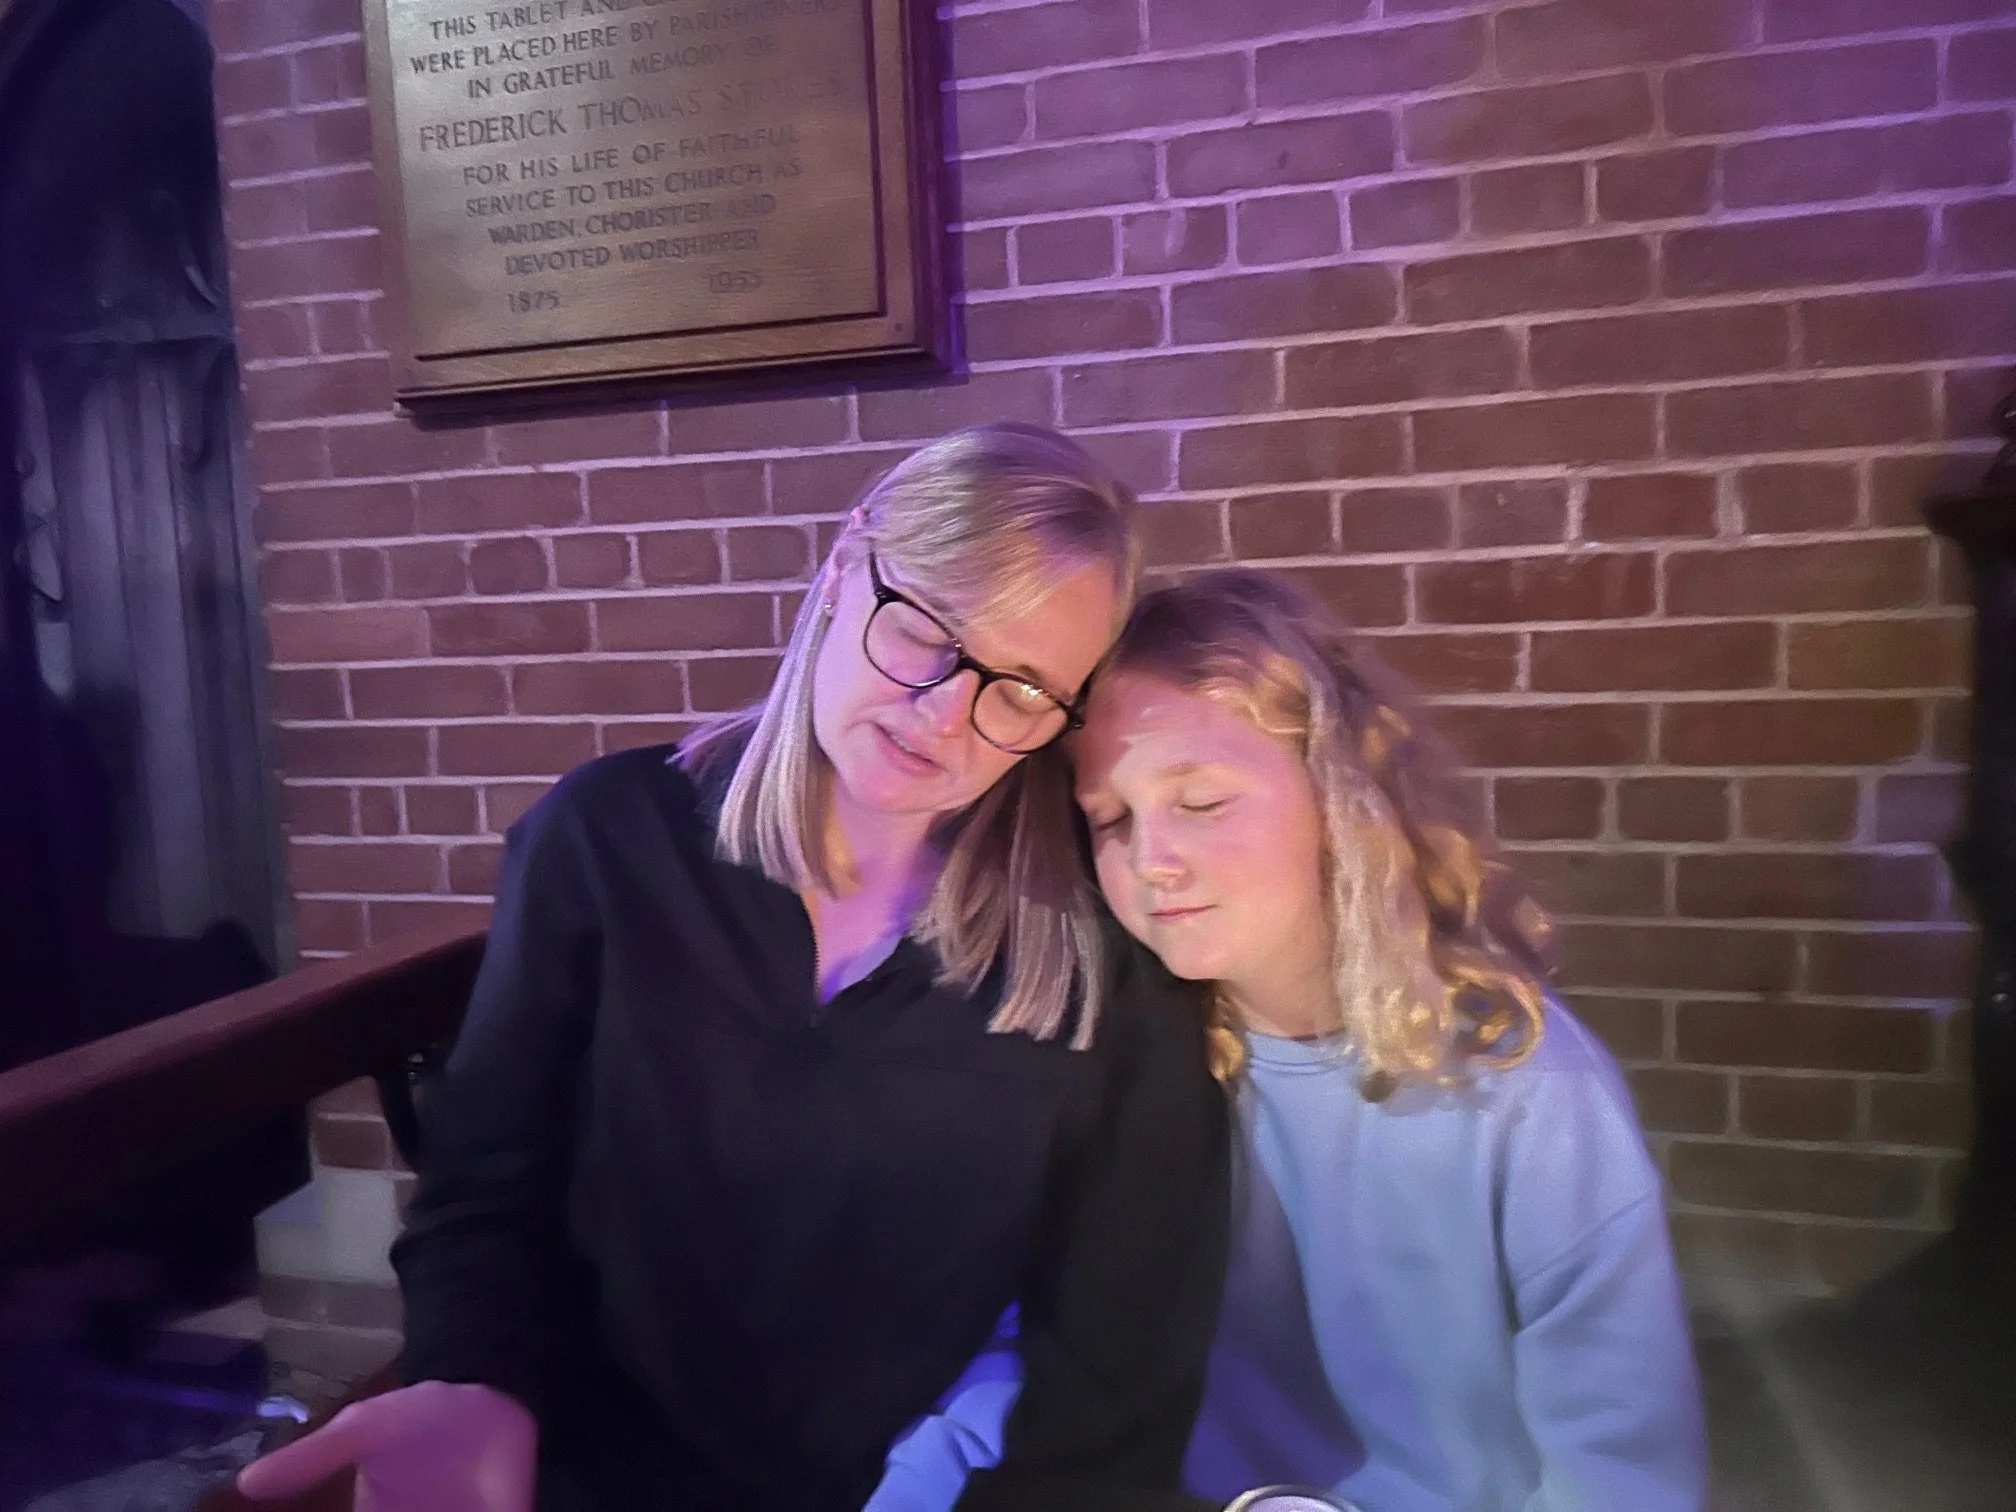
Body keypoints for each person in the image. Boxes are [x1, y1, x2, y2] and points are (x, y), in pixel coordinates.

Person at [236, 425, 1231, 1512]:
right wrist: (471, 1379)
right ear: (848, 565)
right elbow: (489, 1191)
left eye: (1026, 689)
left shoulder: (1102, 951)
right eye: (930, 630)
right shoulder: (607, 840)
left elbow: (1123, 1362)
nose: (946, 713)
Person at [868, 568, 1709, 1512]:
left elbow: (1625, 1472)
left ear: (1337, 790)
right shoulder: (1122, 1067)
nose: (1153, 859)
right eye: (1112, 820)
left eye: (1202, 801)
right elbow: (1030, 1359)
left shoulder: (1532, 1094)